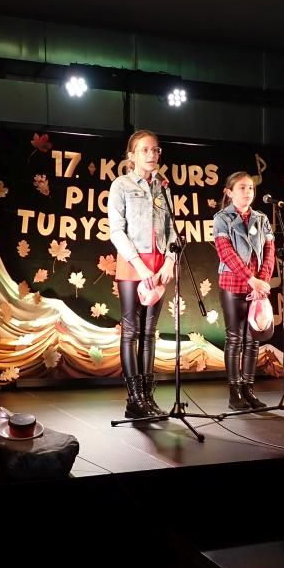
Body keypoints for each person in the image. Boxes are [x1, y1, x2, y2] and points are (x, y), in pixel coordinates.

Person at [108, 130, 177, 419]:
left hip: (159, 266)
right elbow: (116, 231)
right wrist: (140, 266)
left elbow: (172, 230)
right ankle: (134, 399)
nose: (151, 154)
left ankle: (148, 397)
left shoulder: (163, 186)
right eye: (145, 150)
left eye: (155, 150)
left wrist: (170, 260)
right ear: (132, 156)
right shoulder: (121, 185)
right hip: (133, 265)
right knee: (131, 331)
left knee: (149, 333)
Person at [212, 172, 275, 410]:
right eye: (242, 188)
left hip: (258, 287)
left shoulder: (261, 218)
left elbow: (269, 251)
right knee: (235, 338)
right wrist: (251, 280)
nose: (248, 192)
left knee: (253, 340)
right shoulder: (222, 218)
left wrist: (263, 282)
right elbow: (226, 253)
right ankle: (235, 392)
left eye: (250, 188)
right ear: (229, 192)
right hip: (234, 284)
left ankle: (248, 390)